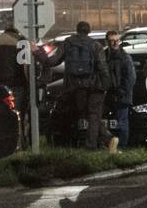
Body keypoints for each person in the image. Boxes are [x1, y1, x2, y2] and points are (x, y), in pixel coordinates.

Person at [46, 21, 111, 149]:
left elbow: (53, 61)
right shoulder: (95, 46)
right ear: (89, 31)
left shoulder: (68, 43)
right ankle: (97, 142)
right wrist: (105, 85)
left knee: (81, 114)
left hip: (73, 86)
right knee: (93, 115)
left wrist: (38, 54)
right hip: (91, 85)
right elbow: (102, 67)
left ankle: (105, 139)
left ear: (77, 30)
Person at [0, 26, 29, 144]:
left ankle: (0, 143)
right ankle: (18, 143)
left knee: (1, 115)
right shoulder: (21, 41)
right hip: (17, 84)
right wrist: (29, 83)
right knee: (17, 115)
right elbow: (25, 66)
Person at [103, 30, 135, 152]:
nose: (115, 43)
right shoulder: (104, 56)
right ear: (107, 42)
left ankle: (121, 147)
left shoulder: (125, 58)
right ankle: (110, 145)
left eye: (117, 40)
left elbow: (130, 78)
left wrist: (120, 92)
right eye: (112, 41)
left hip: (121, 96)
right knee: (104, 122)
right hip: (108, 95)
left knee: (122, 123)